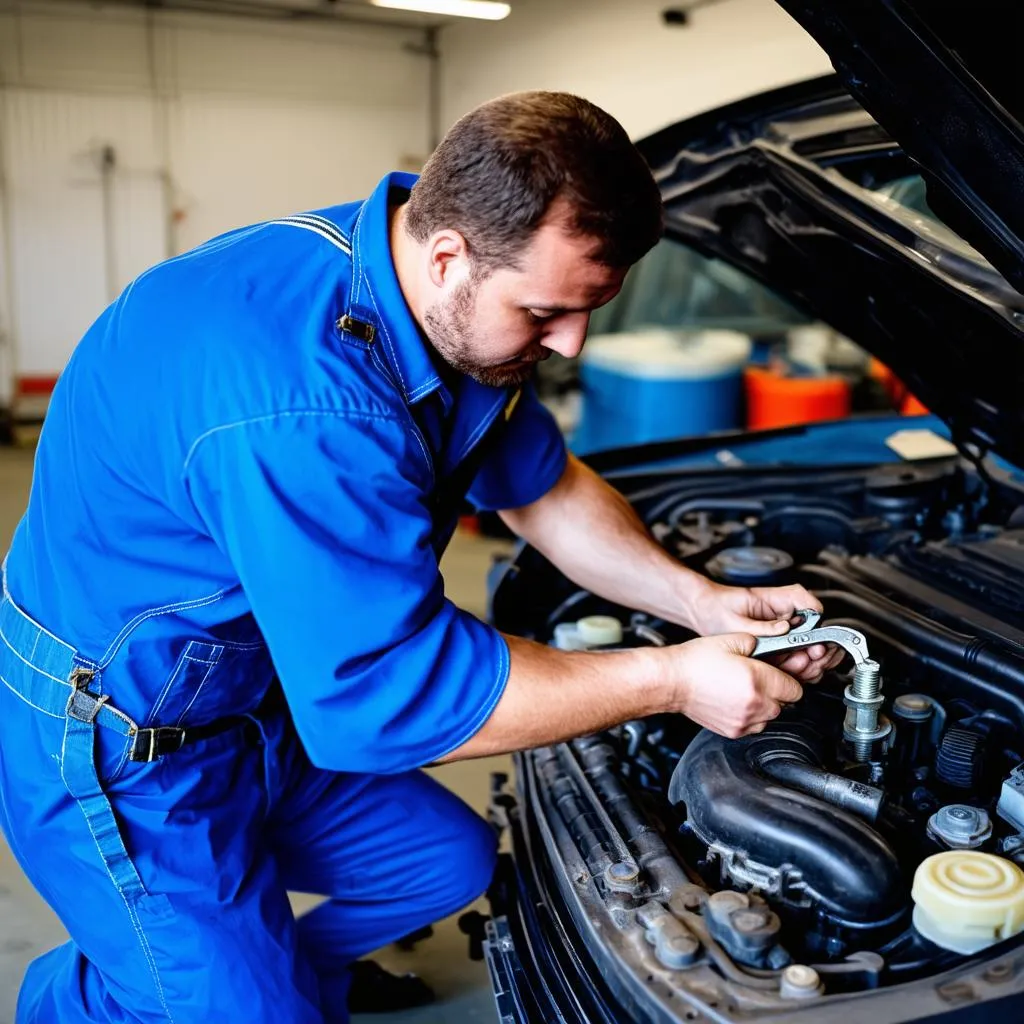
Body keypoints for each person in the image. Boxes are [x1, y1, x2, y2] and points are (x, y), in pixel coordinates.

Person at [0, 91, 836, 1023]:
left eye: (589, 310)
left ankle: (248, 976)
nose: (571, 343)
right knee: (235, 1008)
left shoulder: (419, 291)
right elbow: (390, 692)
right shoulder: (308, 411)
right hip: (125, 744)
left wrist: (701, 604)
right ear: (451, 256)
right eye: (548, 312)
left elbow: (546, 491)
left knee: (445, 863)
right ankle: (110, 998)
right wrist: (674, 681)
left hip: (258, 712)